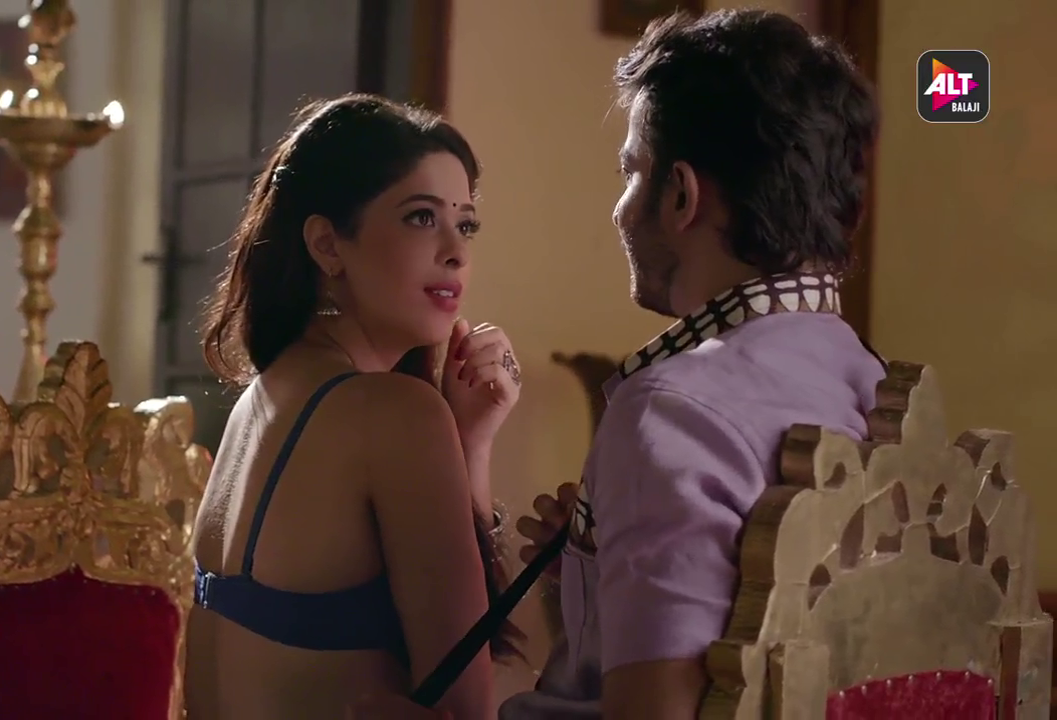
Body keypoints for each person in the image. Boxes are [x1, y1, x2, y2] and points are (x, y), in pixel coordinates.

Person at [349, 8, 883, 719]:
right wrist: (597, 575)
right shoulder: (868, 380)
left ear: (681, 196)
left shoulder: (674, 408)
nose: (620, 209)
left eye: (632, 171)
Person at [186, 94, 526, 720]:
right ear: (328, 244)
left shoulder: (264, 396)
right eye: (422, 217)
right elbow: (466, 706)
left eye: (466, 224)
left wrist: (470, 442)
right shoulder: (395, 413)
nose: (456, 251)